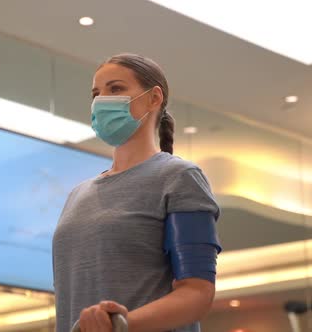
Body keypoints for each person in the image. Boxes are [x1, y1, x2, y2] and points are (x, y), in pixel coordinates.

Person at [52, 54, 222, 332]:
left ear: (154, 98)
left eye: (116, 89)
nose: (101, 100)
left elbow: (197, 294)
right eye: (96, 93)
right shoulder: (77, 195)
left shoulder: (179, 177)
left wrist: (121, 324)